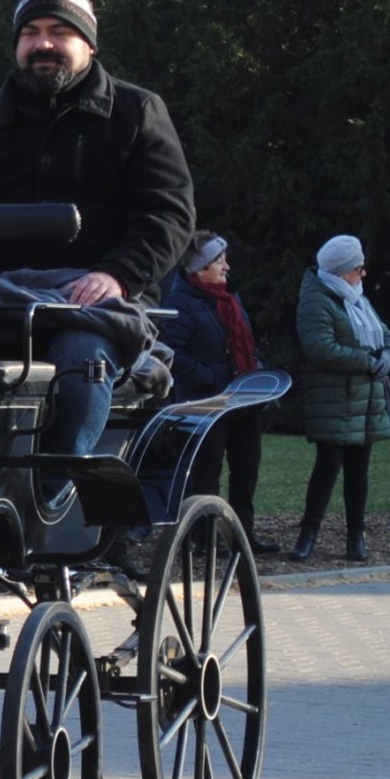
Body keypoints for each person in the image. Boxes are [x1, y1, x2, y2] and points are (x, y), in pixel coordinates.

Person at [0, 0, 196, 462]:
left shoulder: (137, 113)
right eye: (31, 32)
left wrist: (118, 274)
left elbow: (169, 213)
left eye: (60, 31)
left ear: (89, 44)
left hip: (94, 308)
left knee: (82, 368)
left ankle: (57, 489)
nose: (43, 43)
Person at [294, 235, 390, 565]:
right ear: (341, 272)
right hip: (334, 402)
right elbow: (320, 348)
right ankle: (307, 536)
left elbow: (387, 334)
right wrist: (369, 362)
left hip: (365, 403)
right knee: (327, 468)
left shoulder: (356, 299)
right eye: (358, 268)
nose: (363, 274)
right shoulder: (317, 300)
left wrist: (389, 354)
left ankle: (356, 537)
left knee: (359, 472)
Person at [156, 233, 263, 546]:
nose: (226, 266)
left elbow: (246, 344)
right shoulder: (181, 303)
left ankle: (242, 535)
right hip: (206, 403)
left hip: (242, 401)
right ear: (199, 268)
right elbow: (172, 355)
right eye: (219, 261)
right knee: (207, 471)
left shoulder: (230, 299)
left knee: (246, 469)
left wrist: (257, 370)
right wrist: (215, 378)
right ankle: (202, 538)